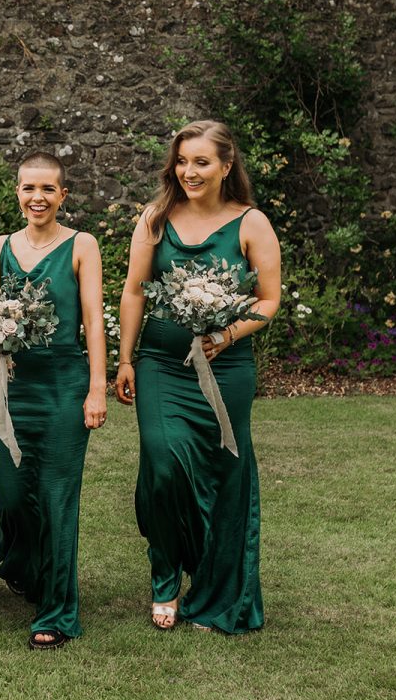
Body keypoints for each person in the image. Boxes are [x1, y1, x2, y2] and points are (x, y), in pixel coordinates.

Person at [115, 120, 281, 633]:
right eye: (182, 161)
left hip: (227, 369)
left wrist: (226, 334)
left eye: (202, 162)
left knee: (224, 475)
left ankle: (215, 588)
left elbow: (269, 301)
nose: (189, 171)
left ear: (227, 166)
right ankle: (165, 574)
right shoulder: (156, 218)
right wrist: (124, 359)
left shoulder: (251, 223)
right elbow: (134, 291)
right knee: (164, 465)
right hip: (162, 365)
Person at [0, 152, 106, 650]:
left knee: (56, 498)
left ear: (62, 195)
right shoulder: (1, 246)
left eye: (47, 189)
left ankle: (56, 610)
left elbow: (94, 320)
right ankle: (24, 567)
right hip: (10, 387)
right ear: (17, 192)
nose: (37, 197)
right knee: (10, 492)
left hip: (63, 384)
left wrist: (97, 387)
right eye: (28, 188)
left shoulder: (82, 245)